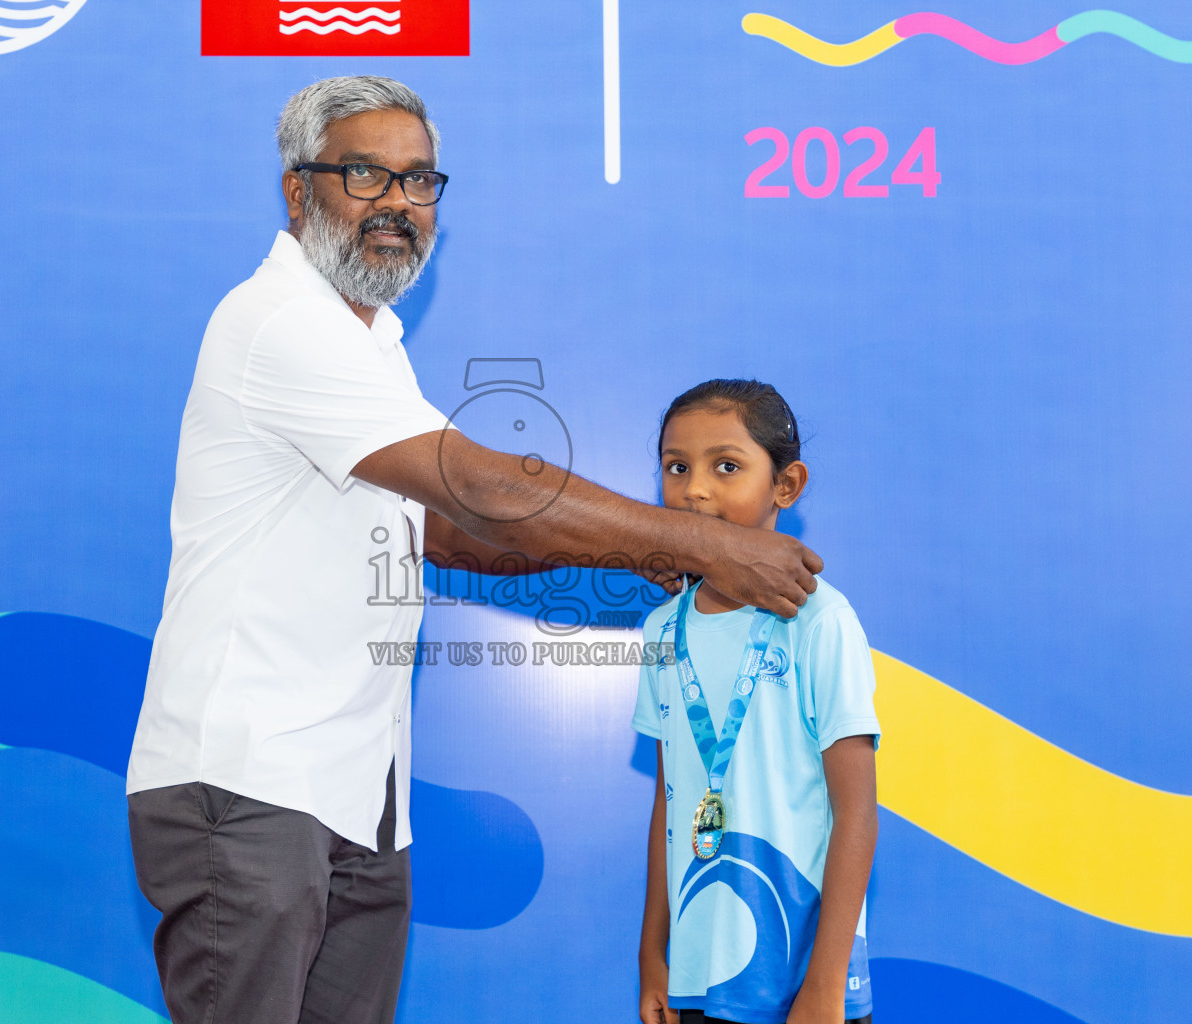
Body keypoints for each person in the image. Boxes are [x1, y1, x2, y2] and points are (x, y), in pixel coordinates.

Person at [126, 76, 826, 1024]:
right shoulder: (279, 323)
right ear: (298, 192)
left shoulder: (373, 344)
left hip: (354, 800)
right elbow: (484, 488)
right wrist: (701, 538)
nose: (399, 205)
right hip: (249, 787)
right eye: (365, 174)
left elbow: (442, 527)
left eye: (419, 183)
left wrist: (628, 554)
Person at [634, 380, 879, 1024]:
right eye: (676, 467)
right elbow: (669, 802)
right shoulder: (662, 630)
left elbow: (855, 812)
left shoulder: (820, 620)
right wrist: (652, 953)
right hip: (697, 975)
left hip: (804, 979)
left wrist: (826, 985)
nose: (696, 490)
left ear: (786, 486)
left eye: (727, 466)